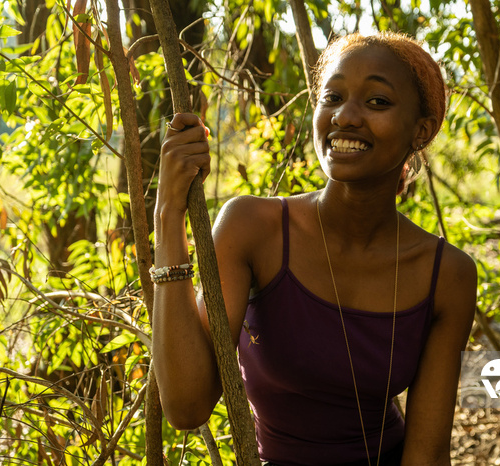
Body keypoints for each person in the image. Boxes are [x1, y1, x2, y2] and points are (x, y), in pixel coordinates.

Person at [152, 31, 477, 466]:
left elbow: (428, 453)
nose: (346, 116)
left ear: (420, 130)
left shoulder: (445, 274)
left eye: (377, 101)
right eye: (333, 97)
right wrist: (167, 215)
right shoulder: (252, 229)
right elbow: (186, 407)